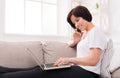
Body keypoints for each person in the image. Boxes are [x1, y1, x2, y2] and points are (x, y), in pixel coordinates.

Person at [0, 5, 107, 78]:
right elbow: (72, 45)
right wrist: (75, 41)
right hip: (80, 70)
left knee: (43, 72)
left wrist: (69, 59)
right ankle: (3, 70)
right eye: (74, 23)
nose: (76, 25)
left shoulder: (95, 32)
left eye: (77, 20)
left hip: (89, 73)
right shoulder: (85, 34)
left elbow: (93, 60)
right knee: (40, 68)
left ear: (85, 15)